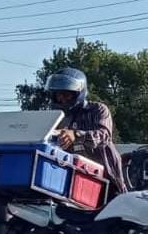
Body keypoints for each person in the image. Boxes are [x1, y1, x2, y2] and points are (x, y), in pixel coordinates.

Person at [46, 67, 126, 196]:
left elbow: (104, 136)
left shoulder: (97, 110)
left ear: (78, 93)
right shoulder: (56, 118)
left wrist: (76, 134)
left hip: (107, 179)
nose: (62, 99)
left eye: (66, 94)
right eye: (58, 95)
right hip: (74, 182)